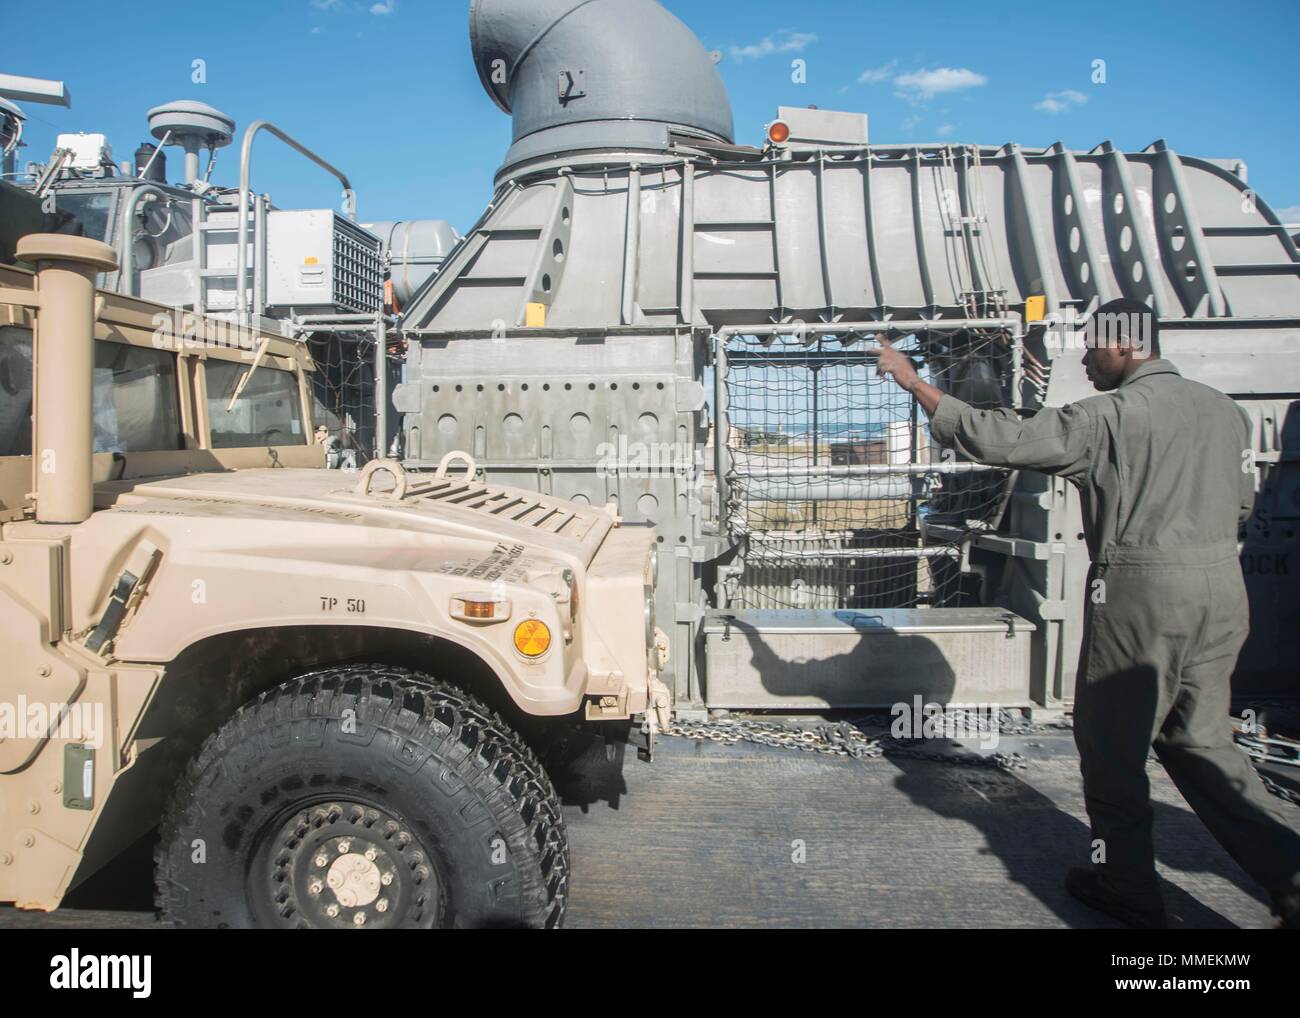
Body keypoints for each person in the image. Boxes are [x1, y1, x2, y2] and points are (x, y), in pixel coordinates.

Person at [875, 297, 1300, 929]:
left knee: (1112, 748)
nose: (1086, 359)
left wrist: (912, 380)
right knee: (1204, 740)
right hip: (1221, 590)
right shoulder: (1224, 412)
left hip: (1143, 595)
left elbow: (1003, 438)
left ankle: (1126, 885)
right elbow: (1240, 508)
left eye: (1094, 347)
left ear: (1126, 345)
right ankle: (1290, 878)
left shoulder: (1108, 418)